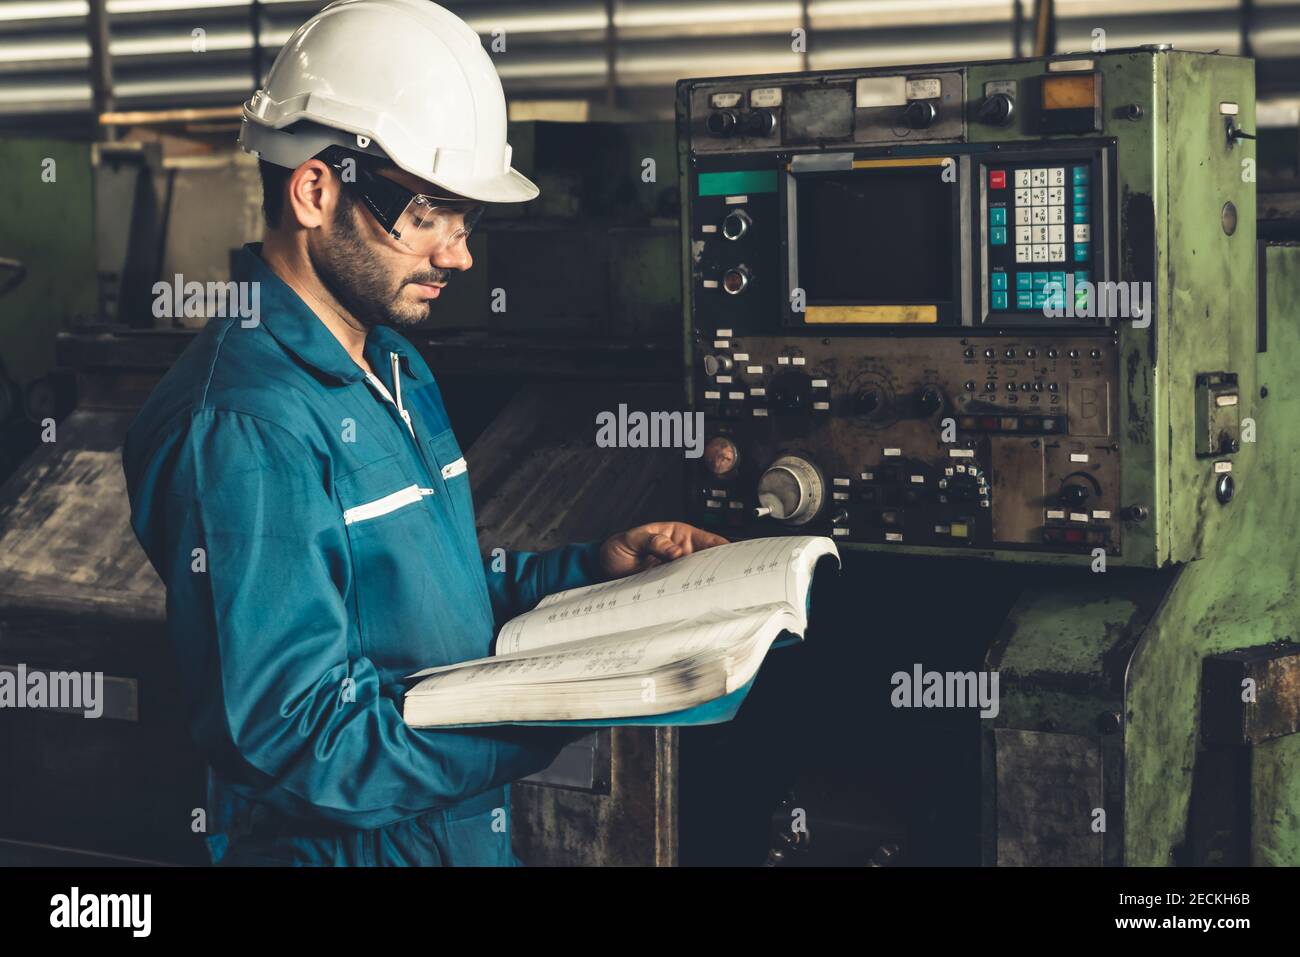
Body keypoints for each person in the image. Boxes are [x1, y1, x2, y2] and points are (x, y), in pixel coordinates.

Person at [122, 0, 725, 866]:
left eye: (465, 220)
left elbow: (422, 595)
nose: (458, 255)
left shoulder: (397, 368)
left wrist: (585, 573)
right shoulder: (244, 425)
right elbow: (296, 741)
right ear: (316, 189)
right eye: (430, 216)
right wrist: (551, 714)